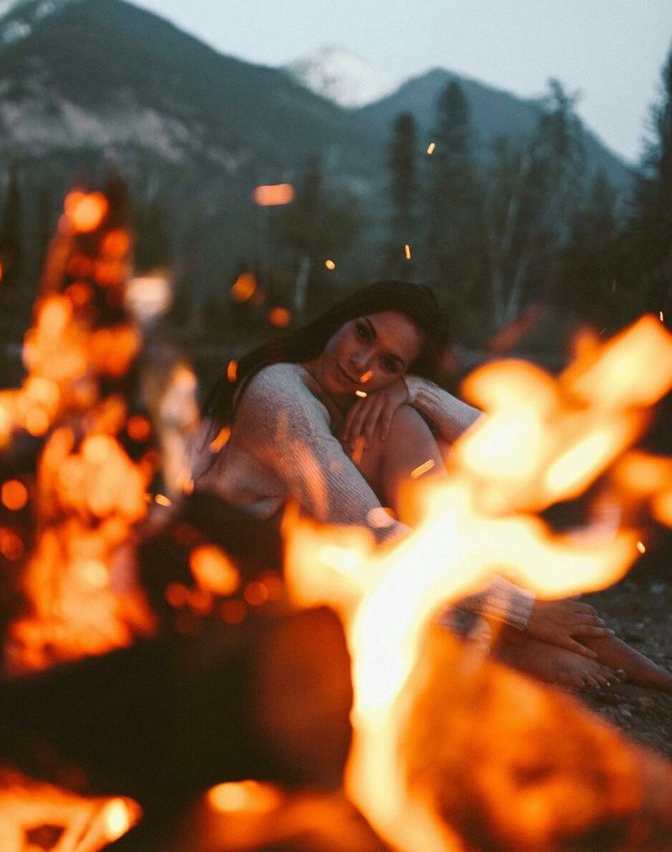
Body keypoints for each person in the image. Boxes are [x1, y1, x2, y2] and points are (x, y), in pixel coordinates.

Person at [191, 281, 672, 692]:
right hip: (233, 578)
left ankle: (498, 631)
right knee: (397, 430)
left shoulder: (353, 400)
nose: (361, 364)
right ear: (342, 318)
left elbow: (507, 455)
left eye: (390, 363)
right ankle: (499, 637)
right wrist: (527, 609)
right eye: (362, 332)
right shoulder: (281, 396)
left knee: (405, 423)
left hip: (298, 553)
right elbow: (370, 529)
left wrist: (418, 392)